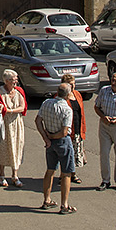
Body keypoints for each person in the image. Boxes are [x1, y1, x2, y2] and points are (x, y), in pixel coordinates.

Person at [34, 83, 76, 214]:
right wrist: (53, 136)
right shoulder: (67, 109)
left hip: (50, 143)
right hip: (62, 142)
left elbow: (38, 121)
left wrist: (46, 138)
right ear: (68, 94)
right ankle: (64, 205)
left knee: (50, 170)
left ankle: (47, 199)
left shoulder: (46, 103)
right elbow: (64, 132)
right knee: (66, 173)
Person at [0, 69, 27, 187]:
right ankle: (2, 174)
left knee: (17, 146)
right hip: (5, 123)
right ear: (7, 81)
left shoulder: (19, 91)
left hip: (16, 122)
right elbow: (1, 105)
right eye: (13, 80)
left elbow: (22, 107)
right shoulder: (0, 91)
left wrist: (10, 110)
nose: (16, 82)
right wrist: (1, 108)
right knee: (3, 148)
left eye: (16, 79)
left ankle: (15, 175)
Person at [59, 71, 87, 185]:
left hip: (77, 129)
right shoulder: (61, 97)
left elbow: (82, 113)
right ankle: (63, 175)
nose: (73, 86)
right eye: (70, 84)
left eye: (74, 83)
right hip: (66, 131)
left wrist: (82, 131)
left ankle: (73, 174)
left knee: (75, 153)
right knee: (65, 154)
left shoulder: (77, 94)